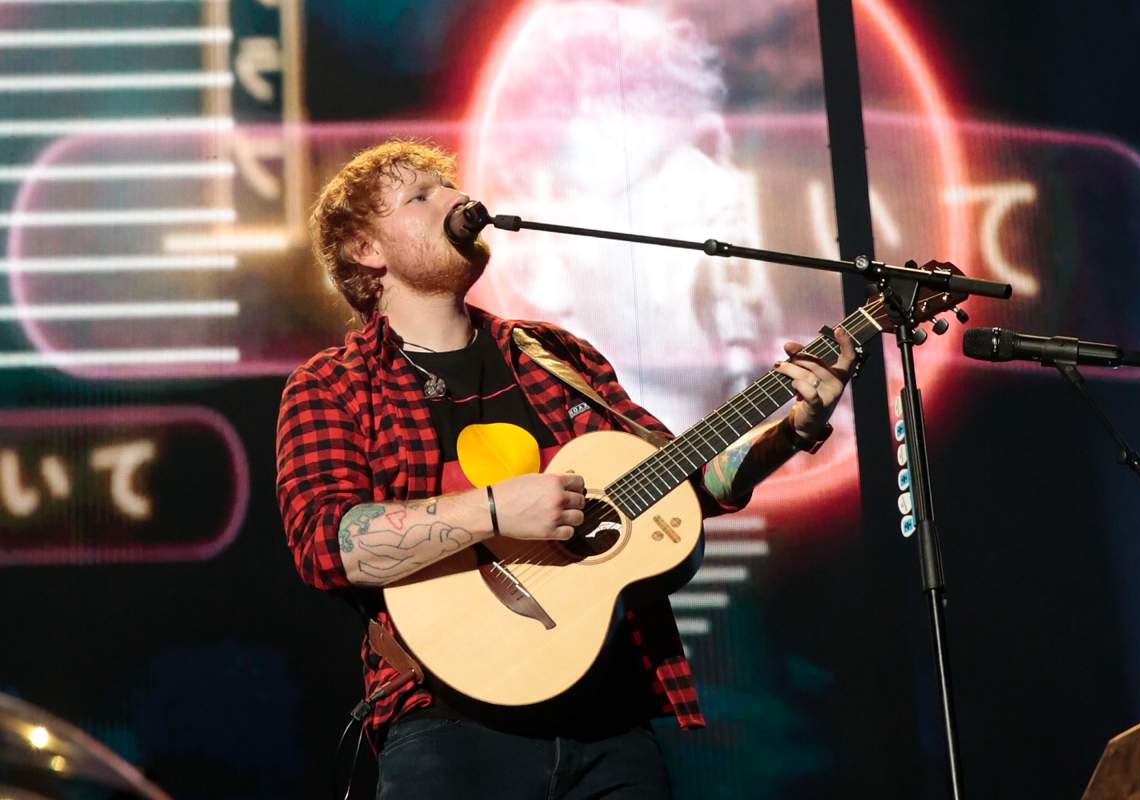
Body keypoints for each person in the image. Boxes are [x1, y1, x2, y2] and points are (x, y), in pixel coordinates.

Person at [275, 138, 857, 799]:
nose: (455, 199)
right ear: (365, 250)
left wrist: (794, 429)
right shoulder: (333, 386)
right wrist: (494, 512)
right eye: (421, 196)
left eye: (448, 186)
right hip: (446, 724)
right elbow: (327, 544)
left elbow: (686, 479)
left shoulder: (554, 355)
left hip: (609, 721)